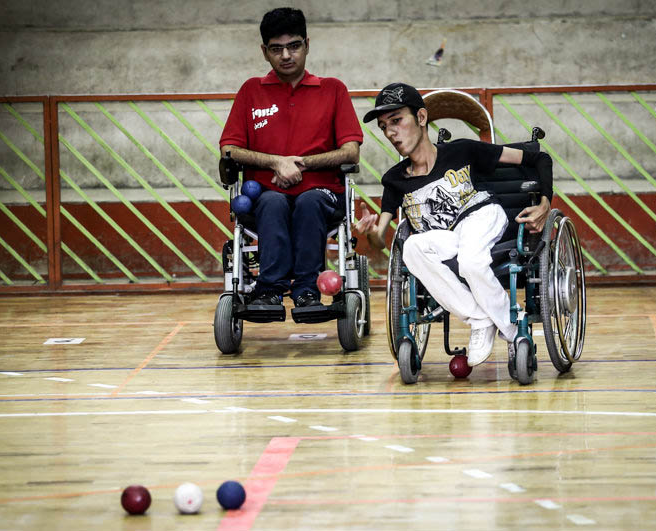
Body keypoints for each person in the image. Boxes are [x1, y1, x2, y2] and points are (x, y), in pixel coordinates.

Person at [356, 83, 552, 367]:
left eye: (397, 121)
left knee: (470, 262)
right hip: (446, 238)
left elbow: (539, 158)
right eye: (384, 127)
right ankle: (480, 318)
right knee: (411, 247)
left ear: (421, 118)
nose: (390, 133)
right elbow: (380, 240)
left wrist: (545, 203)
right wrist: (372, 232)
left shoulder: (461, 151)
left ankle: (510, 328)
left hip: (481, 215)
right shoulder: (394, 179)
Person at [219, 7, 363, 308]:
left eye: (294, 46)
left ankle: (307, 290)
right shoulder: (250, 91)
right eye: (276, 48)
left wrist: (301, 163)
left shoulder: (333, 89)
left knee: (309, 202)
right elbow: (229, 149)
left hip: (322, 194)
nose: (286, 55)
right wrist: (275, 162)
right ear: (264, 52)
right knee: (273, 202)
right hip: (265, 194)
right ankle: (269, 289)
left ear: (307, 45)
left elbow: (351, 152)